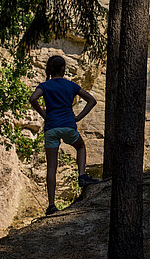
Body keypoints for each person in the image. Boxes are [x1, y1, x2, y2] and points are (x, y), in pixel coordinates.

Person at [29, 55, 100, 216]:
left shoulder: (45, 85)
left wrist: (43, 114)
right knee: (80, 147)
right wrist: (78, 117)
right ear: (63, 69)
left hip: (51, 127)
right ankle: (82, 175)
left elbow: (33, 98)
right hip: (68, 125)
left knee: (51, 167)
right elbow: (92, 100)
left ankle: (52, 205)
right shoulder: (70, 85)